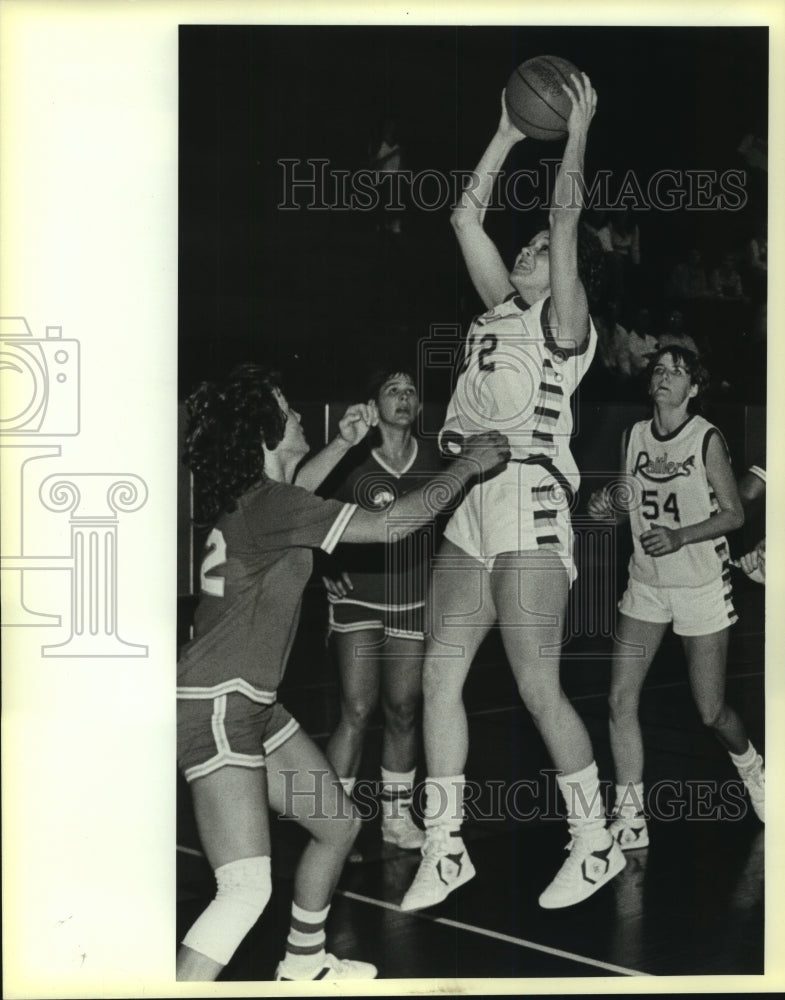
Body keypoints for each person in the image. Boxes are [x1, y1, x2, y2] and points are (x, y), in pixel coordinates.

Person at [176, 364, 510, 981]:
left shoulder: (261, 501)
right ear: (266, 432)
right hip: (218, 708)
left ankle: (304, 965)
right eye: (287, 409)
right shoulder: (274, 505)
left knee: (338, 823)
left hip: (253, 708)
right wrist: (467, 467)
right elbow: (388, 525)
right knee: (244, 889)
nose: (299, 414)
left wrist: (340, 443)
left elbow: (297, 491)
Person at [400, 72, 626, 914]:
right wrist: (503, 131)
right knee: (438, 676)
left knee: (536, 685)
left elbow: (564, 218)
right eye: (525, 245)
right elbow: (464, 217)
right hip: (469, 502)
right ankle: (444, 846)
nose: (527, 248)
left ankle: (594, 841)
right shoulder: (498, 307)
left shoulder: (565, 324)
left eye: (536, 247)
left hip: (529, 504)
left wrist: (575, 133)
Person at [588, 346, 765, 851]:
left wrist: (680, 536)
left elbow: (733, 514)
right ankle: (630, 815)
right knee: (620, 699)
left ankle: (753, 769)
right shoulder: (634, 436)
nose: (665, 377)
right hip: (646, 584)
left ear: (694, 387)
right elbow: (626, 503)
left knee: (711, 712)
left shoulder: (705, 438)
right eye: (660, 370)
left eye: (678, 371)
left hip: (700, 585)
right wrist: (606, 507)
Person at [321, 366, 444, 851]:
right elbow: (311, 516)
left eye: (411, 391)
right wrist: (323, 566)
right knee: (356, 708)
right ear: (374, 405)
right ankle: (333, 824)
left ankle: (396, 819)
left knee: (404, 709)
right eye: (393, 390)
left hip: (412, 598)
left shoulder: (433, 460)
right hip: (357, 598)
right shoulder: (352, 460)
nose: (404, 397)